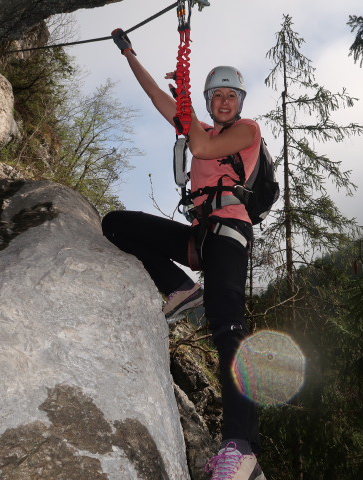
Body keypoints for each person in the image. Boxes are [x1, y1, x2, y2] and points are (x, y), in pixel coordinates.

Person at [102, 29, 266, 480]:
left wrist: (186, 108)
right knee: (116, 224)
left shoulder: (246, 132)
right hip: (200, 236)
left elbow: (201, 147)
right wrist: (130, 54)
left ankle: (241, 448)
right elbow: (155, 95)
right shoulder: (202, 126)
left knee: (227, 322)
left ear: (240, 101)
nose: (225, 102)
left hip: (230, 230)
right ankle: (178, 288)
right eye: (217, 96)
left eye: (232, 95)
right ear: (210, 101)